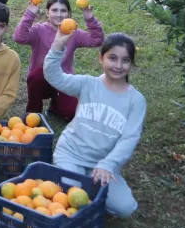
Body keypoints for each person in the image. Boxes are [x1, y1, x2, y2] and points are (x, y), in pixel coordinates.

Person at [43, 32, 145, 218]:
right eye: (112, 58)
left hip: (101, 165)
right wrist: (57, 46)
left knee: (125, 208)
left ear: (131, 64)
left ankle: (92, 192)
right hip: (71, 154)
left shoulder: (136, 101)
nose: (118, 65)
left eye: (125, 60)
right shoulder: (87, 84)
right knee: (72, 195)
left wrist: (108, 164)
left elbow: (129, 138)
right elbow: (54, 76)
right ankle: (76, 186)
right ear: (101, 58)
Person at [13, 0, 104, 120]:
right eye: (54, 10)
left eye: (63, 11)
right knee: (38, 73)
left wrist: (89, 18)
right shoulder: (39, 30)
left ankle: (55, 106)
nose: (59, 14)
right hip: (41, 81)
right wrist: (30, 14)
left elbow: (97, 40)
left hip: (63, 81)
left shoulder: (74, 33)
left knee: (71, 113)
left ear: (68, 14)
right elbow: (19, 37)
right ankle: (33, 112)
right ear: (47, 13)